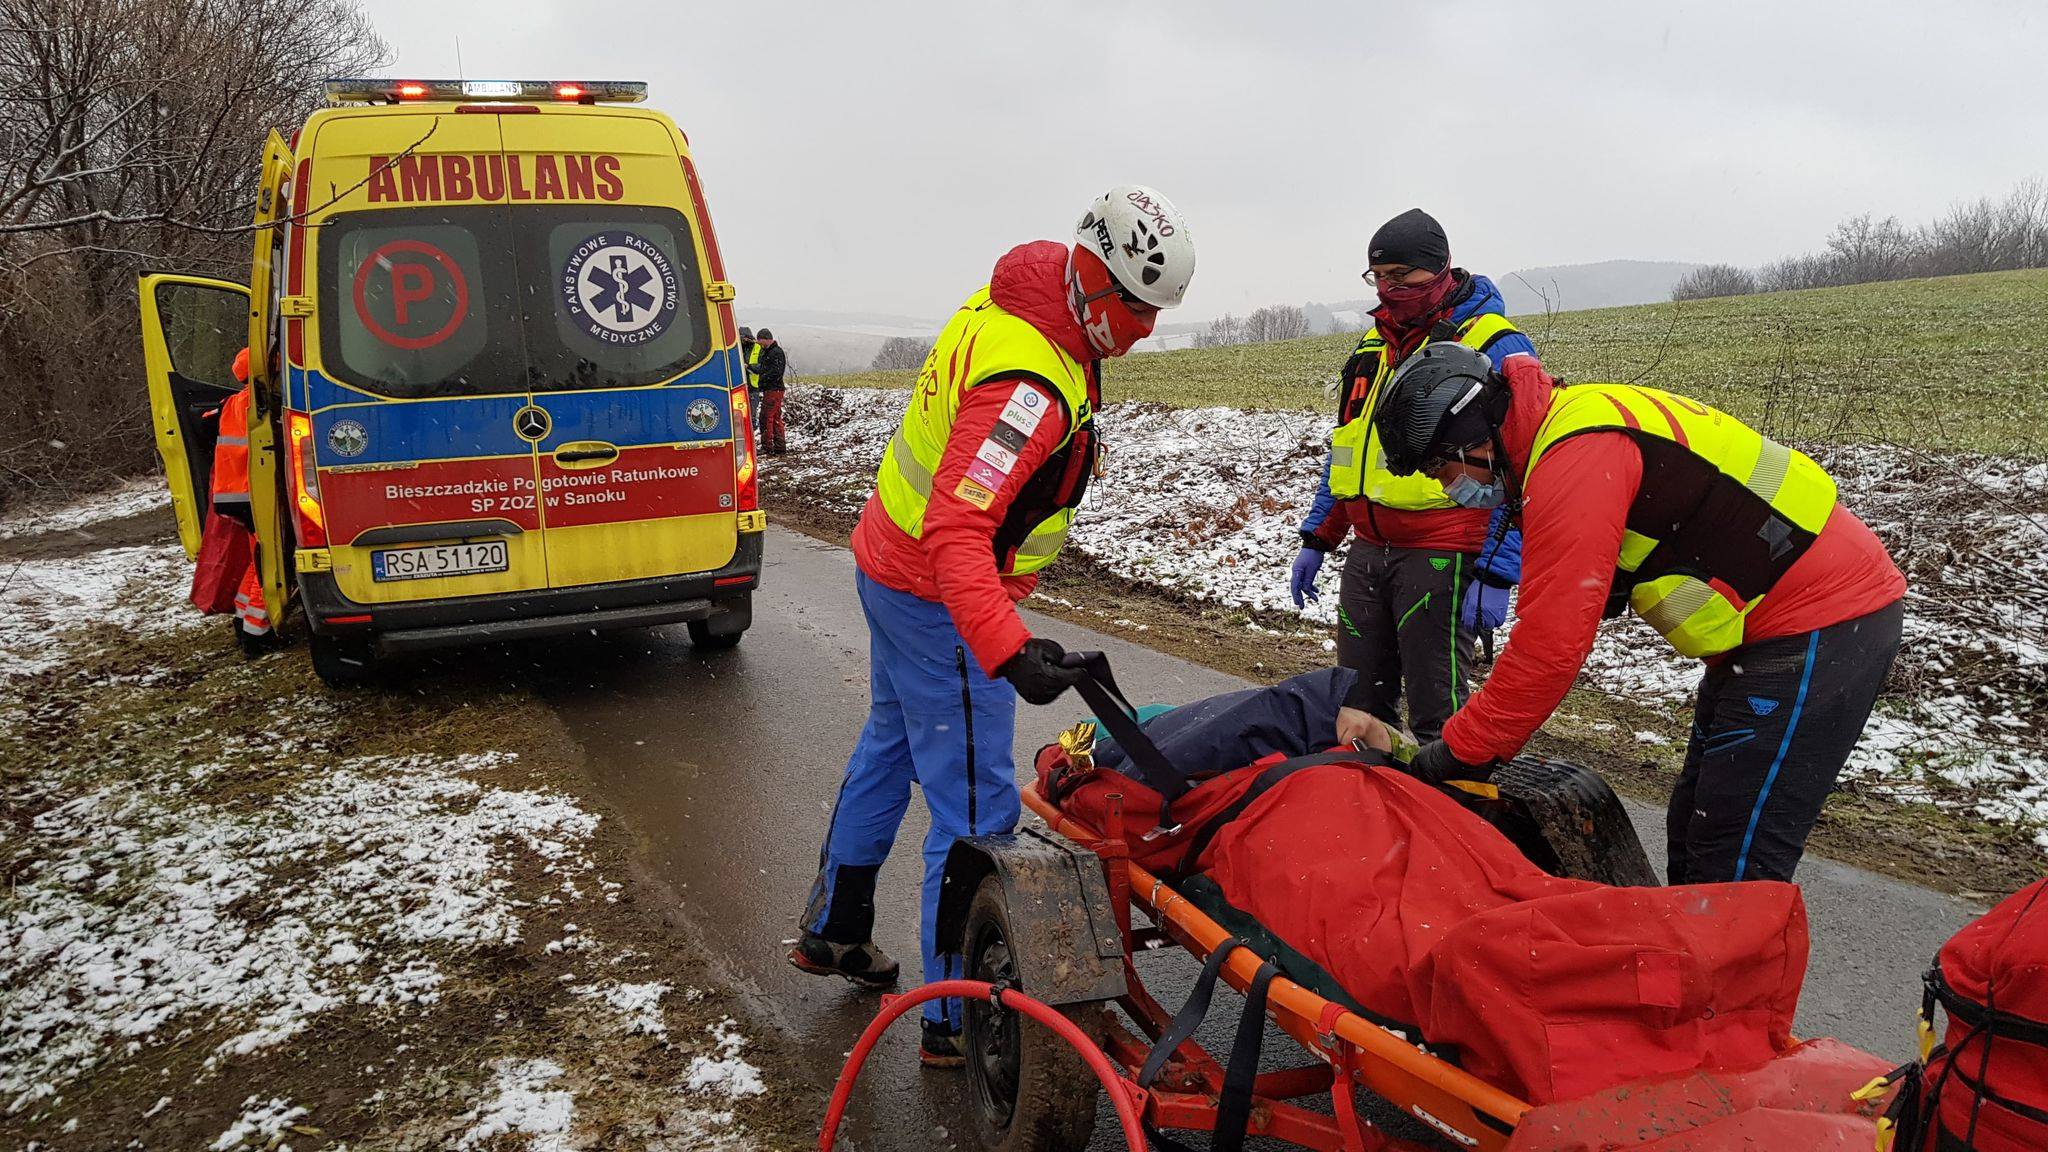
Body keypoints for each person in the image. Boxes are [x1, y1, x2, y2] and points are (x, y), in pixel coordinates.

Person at [792, 186, 1196, 1067]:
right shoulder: (1031, 385)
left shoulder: (1020, 302)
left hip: (887, 566)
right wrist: (1007, 649)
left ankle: (834, 928)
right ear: (1092, 280)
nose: (1146, 332)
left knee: (890, 745)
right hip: (938, 599)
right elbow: (959, 528)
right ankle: (953, 1020)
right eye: (1137, 309)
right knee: (975, 810)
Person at [1366, 342, 1906, 884]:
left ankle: (1723, 965)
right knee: (1695, 831)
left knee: (1731, 866)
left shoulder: (1573, 460)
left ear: (1474, 432)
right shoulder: (1565, 424)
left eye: (1441, 467)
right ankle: (1696, 961)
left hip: (1821, 621)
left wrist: (1459, 752)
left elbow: (1548, 650)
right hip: (1775, 628)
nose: (1446, 487)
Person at [1290, 209, 1542, 751]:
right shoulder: (1370, 350)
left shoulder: (1494, 345)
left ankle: (1453, 821)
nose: (1390, 288)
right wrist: (1319, 536)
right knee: (1356, 711)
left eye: (1404, 276)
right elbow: (1348, 453)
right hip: (1369, 551)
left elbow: (1526, 463)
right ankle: (1373, 815)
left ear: (1441, 270)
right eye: (1379, 277)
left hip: (1444, 554)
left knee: (1441, 718)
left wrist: (1498, 572)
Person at [208, 347, 274, 653]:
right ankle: (256, 635)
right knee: (267, 560)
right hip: (251, 493)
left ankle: (243, 617)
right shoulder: (255, 402)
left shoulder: (230, 403)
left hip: (230, 495)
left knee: (255, 555)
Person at [751, 328, 788, 454]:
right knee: (776, 418)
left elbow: (775, 372)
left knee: (766, 417)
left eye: (760, 341)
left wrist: (763, 379)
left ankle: (767, 447)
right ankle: (780, 446)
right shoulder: (772, 352)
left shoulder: (775, 353)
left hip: (773, 390)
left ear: (766, 339)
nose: (759, 344)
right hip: (775, 389)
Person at [739, 326, 762, 434]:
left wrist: (748, 367)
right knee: (740, 417)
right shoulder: (737, 348)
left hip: (753, 387)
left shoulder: (758, 348)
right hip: (739, 387)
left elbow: (762, 367)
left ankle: (751, 438)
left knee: (751, 416)